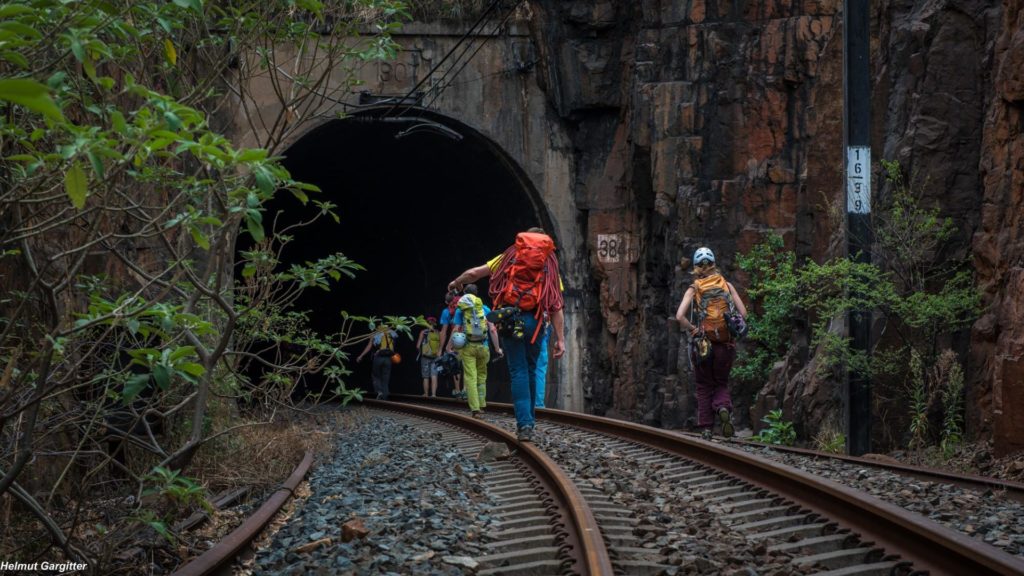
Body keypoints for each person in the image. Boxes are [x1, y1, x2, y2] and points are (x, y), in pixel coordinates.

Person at [448, 228, 565, 442]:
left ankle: (524, 425)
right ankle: (529, 420)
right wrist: (561, 339)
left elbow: (474, 274)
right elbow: (556, 305)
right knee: (531, 369)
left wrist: (457, 282)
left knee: (518, 370)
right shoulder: (549, 264)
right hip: (536, 322)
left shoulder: (511, 256)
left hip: (510, 319)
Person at [674, 247, 747, 439]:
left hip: (703, 345)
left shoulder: (694, 288)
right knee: (721, 382)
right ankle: (723, 407)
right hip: (725, 344)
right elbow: (743, 313)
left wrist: (693, 329)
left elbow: (679, 316)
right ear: (714, 264)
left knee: (704, 385)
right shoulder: (726, 285)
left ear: (696, 267)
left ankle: (707, 428)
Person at [448, 285, 503, 418]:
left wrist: (449, 346)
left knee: (470, 377)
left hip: (468, 347)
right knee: (482, 376)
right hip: (483, 347)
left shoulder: (461, 309)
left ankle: (475, 409)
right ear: (476, 294)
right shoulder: (484, 308)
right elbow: (492, 329)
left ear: (465, 294)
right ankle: (482, 404)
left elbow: (455, 329)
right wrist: (497, 348)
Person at [356, 323, 399, 400]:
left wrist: (361, 355)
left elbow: (369, 346)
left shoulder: (375, 333)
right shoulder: (392, 333)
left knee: (376, 376)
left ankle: (379, 392)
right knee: (386, 377)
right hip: (388, 358)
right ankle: (385, 395)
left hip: (378, 357)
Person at [438, 292, 464, 399]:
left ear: (446, 302)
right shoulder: (463, 306)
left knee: (455, 365)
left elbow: (443, 332)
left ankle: (457, 390)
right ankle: (466, 390)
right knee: (467, 365)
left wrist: (441, 349)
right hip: (468, 337)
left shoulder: (446, 311)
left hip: (456, 340)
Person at [415, 316, 442, 396]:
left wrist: (421, 352)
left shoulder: (423, 332)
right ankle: (433, 395)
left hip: (425, 357)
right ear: (435, 323)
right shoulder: (439, 332)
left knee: (426, 376)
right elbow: (440, 345)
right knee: (434, 375)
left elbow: (417, 346)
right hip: (435, 357)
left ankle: (426, 394)